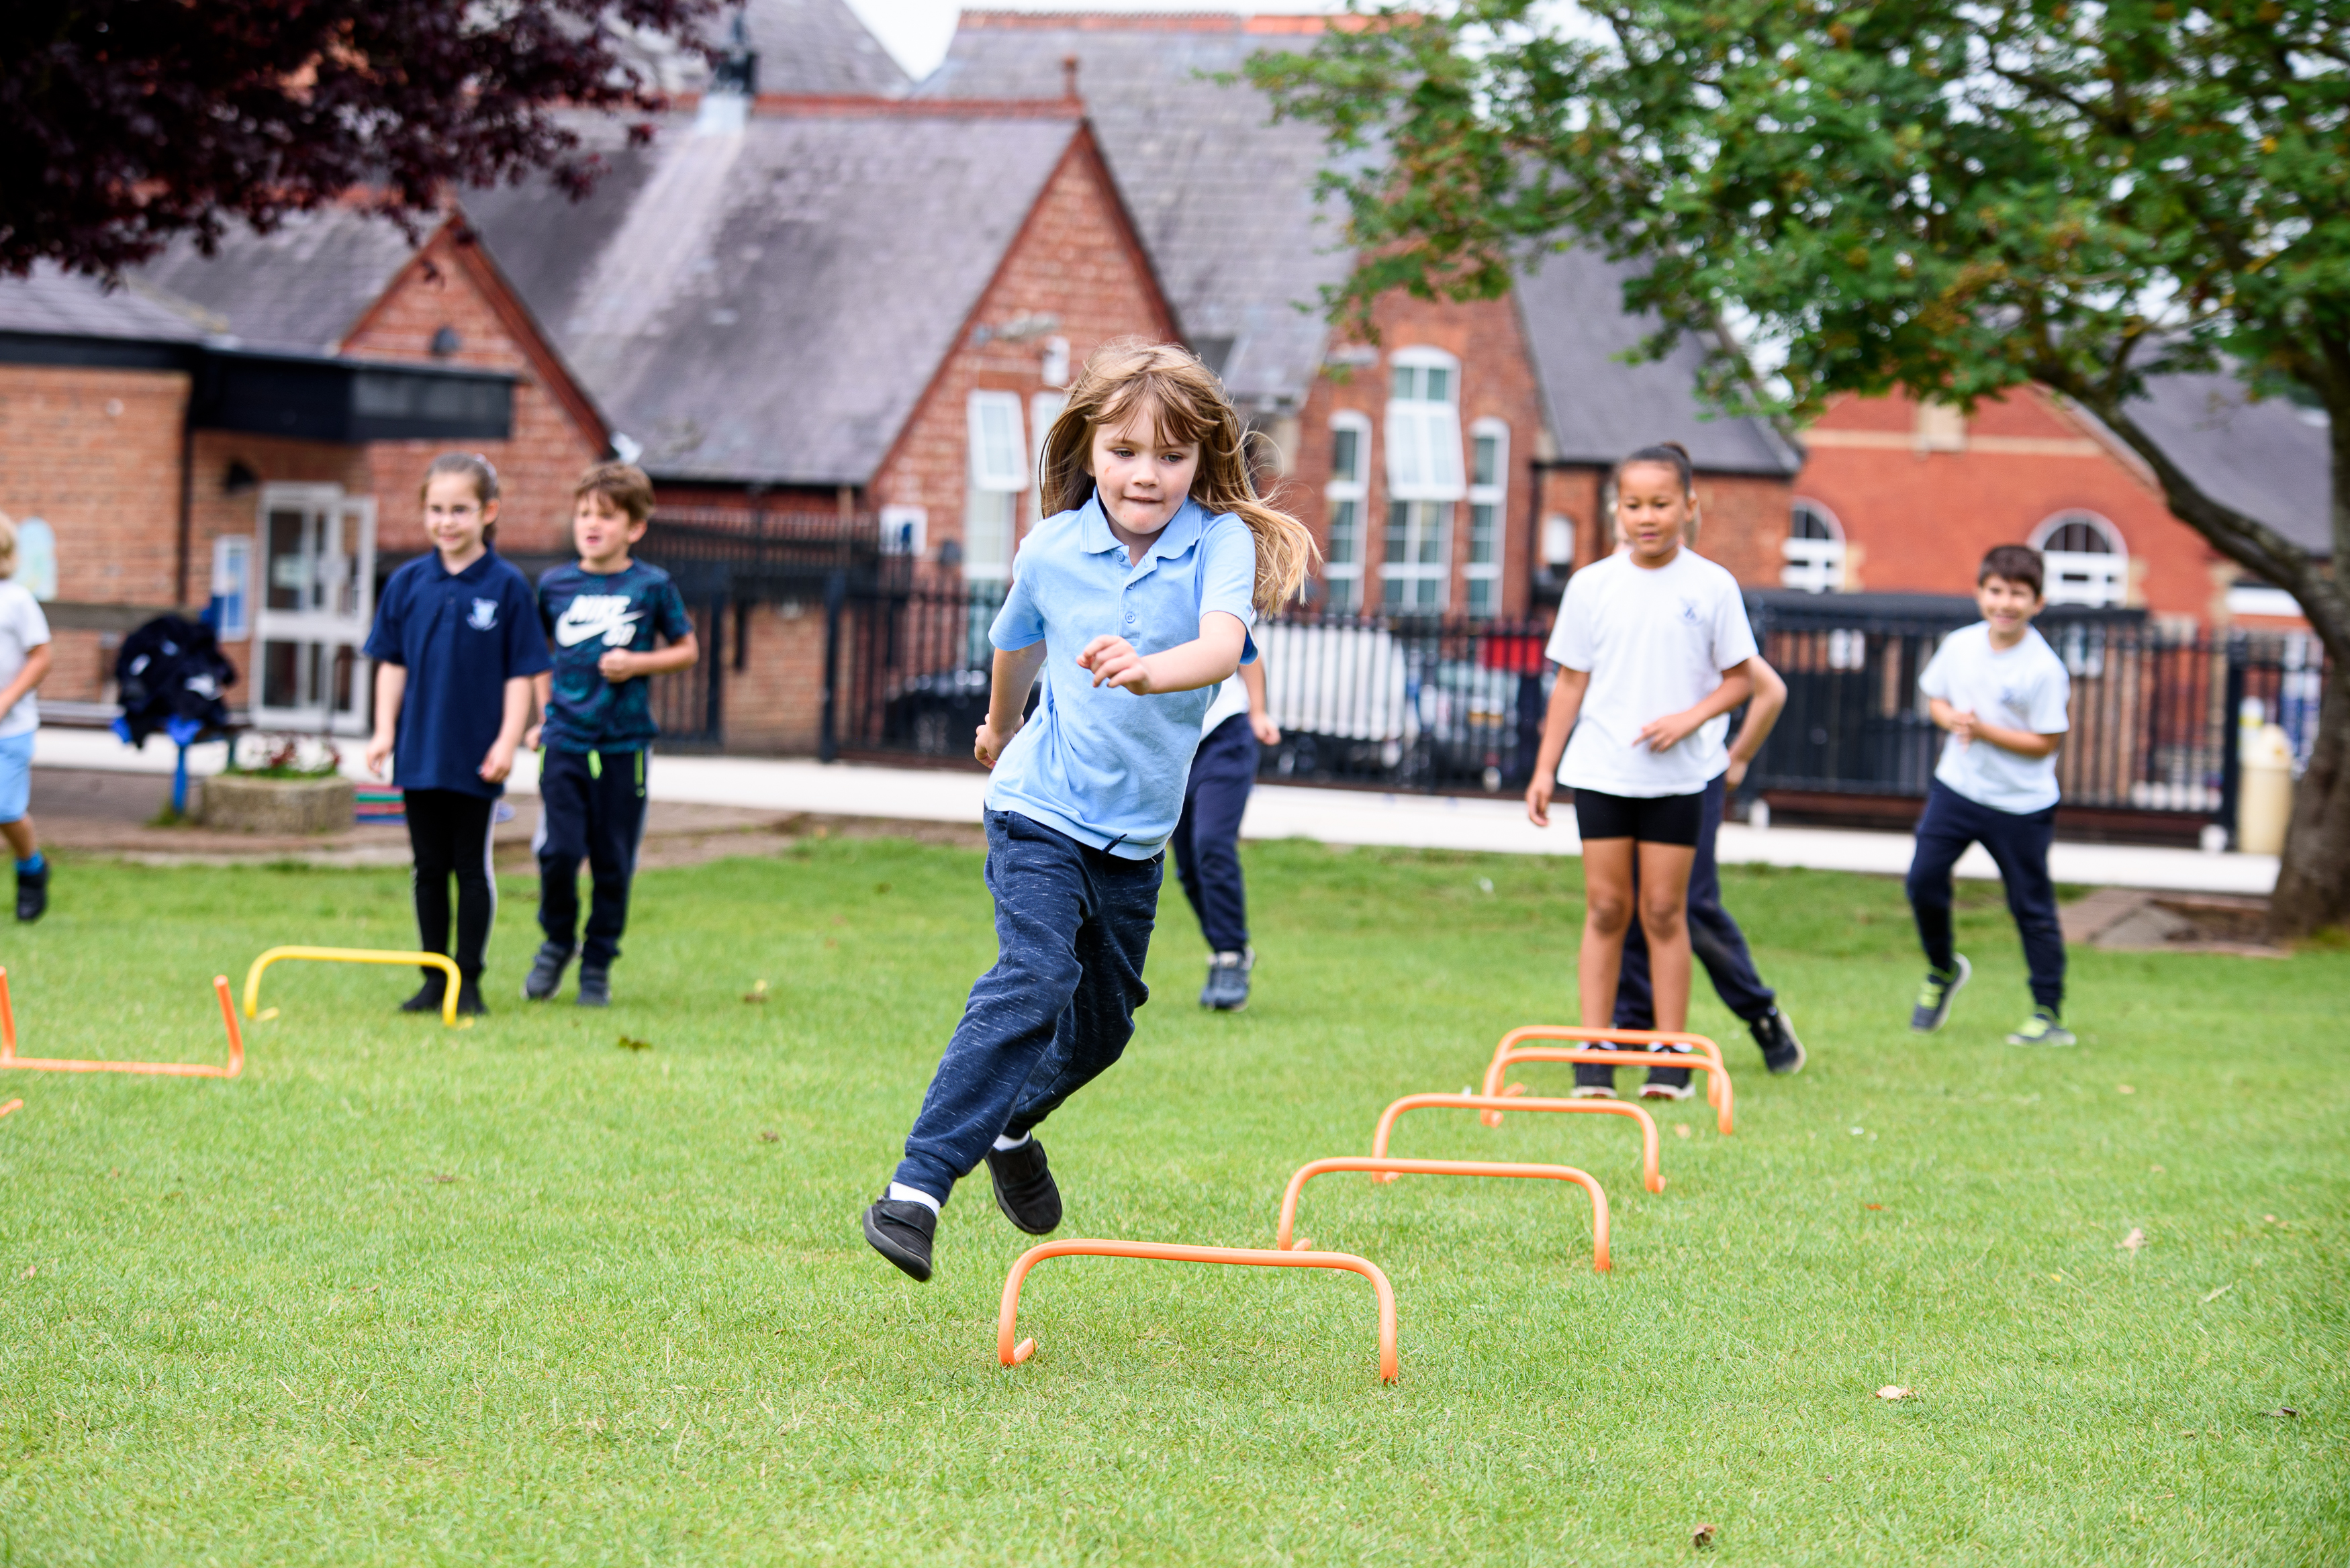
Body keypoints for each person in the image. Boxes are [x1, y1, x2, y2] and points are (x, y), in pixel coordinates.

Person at [862, 340, 1316, 1283]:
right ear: (1087, 449)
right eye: (1124, 452)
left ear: (1202, 461)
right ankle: (915, 1189)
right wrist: (996, 726)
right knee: (1032, 978)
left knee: (1105, 1028)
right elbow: (1012, 643)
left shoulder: (1218, 541)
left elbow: (1224, 645)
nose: (1145, 474)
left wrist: (1155, 669)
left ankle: (1012, 1124)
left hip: (1136, 835)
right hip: (1039, 805)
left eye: (1170, 455)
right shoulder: (1053, 548)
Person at [1524, 441, 1760, 1101]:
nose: (1646, 516)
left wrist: (1688, 719)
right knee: (1605, 907)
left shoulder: (1711, 585)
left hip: (1677, 777)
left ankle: (1668, 1054)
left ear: (1689, 505)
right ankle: (1595, 1054)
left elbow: (1740, 679)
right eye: (1633, 504)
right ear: (1615, 510)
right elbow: (1569, 683)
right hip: (1599, 771)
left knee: (1662, 910)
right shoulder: (1590, 585)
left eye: (1659, 503)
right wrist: (1545, 769)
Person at [363, 454, 552, 1017]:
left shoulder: (508, 585)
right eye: (437, 510)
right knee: (428, 867)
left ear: (487, 512)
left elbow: (522, 670)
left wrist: (505, 741)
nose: (447, 521)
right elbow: (390, 664)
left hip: (476, 755)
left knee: (471, 866)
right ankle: (432, 977)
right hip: (419, 750)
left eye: (460, 510)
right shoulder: (407, 582)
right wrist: (382, 732)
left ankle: (467, 981)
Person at [521, 462, 698, 1008]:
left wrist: (638, 664)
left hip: (625, 745)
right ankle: (556, 942)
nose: (591, 525)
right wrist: (542, 715)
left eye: (605, 516)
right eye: (583, 515)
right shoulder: (554, 585)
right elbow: (536, 658)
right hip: (565, 741)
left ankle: (597, 963)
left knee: (612, 860)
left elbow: (687, 650)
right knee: (559, 850)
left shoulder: (651, 585)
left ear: (635, 527)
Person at [1906, 544, 2073, 1044]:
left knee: (2031, 908)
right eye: (1996, 591)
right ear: (1980, 593)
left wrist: (1983, 731)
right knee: (1922, 882)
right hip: (1956, 790)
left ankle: (2048, 1014)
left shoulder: (2043, 669)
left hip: (2021, 805)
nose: (2005, 603)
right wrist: (1951, 719)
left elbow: (2046, 743)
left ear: (2037, 602)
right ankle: (1942, 970)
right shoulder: (1959, 645)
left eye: (2018, 594)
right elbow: (1936, 699)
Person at [1613, 654, 1807, 1079]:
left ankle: (1761, 1015)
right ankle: (1630, 1024)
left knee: (1688, 906)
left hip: (1695, 779)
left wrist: (1739, 756)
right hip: (1628, 777)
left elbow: (1771, 691)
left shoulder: (1704, 612)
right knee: (1627, 901)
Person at [1174, 658, 1280, 1010]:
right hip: (1175, 744)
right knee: (1187, 866)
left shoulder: (1208, 600)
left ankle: (1231, 957)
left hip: (1225, 735)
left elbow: (1247, 652)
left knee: (1212, 844)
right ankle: (1226, 951)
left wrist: (1258, 711)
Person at [0, 516, 52, 922]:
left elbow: (42, 656)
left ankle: (32, 869)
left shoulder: (16, 601)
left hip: (10, 728)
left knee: (4, 809)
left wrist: (7, 699)